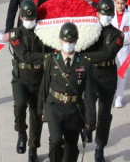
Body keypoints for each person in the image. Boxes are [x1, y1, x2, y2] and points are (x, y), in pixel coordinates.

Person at [38, 22, 96, 162]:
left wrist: (91, 120)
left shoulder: (84, 62)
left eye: (71, 41)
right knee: (56, 141)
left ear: (76, 41)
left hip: (74, 109)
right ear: (60, 40)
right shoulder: (52, 60)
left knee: (71, 150)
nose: (68, 43)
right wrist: (40, 110)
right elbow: (44, 86)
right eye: (65, 40)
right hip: (55, 107)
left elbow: (89, 94)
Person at [82, 0, 123, 162]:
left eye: (108, 14)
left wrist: (85, 57)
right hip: (92, 73)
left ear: (113, 14)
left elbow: (108, 54)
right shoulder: (91, 30)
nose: (105, 16)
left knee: (105, 113)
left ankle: (100, 147)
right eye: (102, 13)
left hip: (107, 74)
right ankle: (88, 126)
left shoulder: (117, 35)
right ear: (97, 13)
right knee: (88, 102)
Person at [6, 0, 46, 162]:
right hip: (21, 78)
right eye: (27, 19)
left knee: (37, 115)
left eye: (33, 19)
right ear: (21, 18)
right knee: (20, 105)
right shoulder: (15, 34)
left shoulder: (43, 32)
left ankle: (33, 148)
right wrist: (47, 57)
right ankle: (21, 132)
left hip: (39, 79)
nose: (30, 22)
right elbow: (26, 55)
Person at [110, 0, 130, 108]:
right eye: (118, 3)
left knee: (123, 73)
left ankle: (119, 97)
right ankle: (110, 95)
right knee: (110, 73)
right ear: (114, 1)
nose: (120, 6)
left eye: (122, 3)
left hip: (124, 49)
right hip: (111, 48)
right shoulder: (109, 15)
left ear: (126, 3)